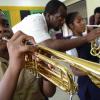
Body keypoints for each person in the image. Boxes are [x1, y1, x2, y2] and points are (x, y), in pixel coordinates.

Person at [0, 10, 56, 100]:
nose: (2, 29)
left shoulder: (27, 53)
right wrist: (14, 66)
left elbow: (49, 93)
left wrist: (46, 70)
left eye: (6, 24)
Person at [12, 0, 100, 52]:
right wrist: (86, 38)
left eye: (64, 18)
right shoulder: (36, 19)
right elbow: (49, 46)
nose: (63, 21)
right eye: (60, 17)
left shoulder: (51, 29)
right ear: (48, 15)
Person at [65, 12, 100, 100]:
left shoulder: (89, 36)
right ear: (71, 26)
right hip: (87, 83)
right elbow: (75, 71)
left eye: (83, 20)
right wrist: (93, 72)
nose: (83, 22)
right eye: (79, 21)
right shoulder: (70, 44)